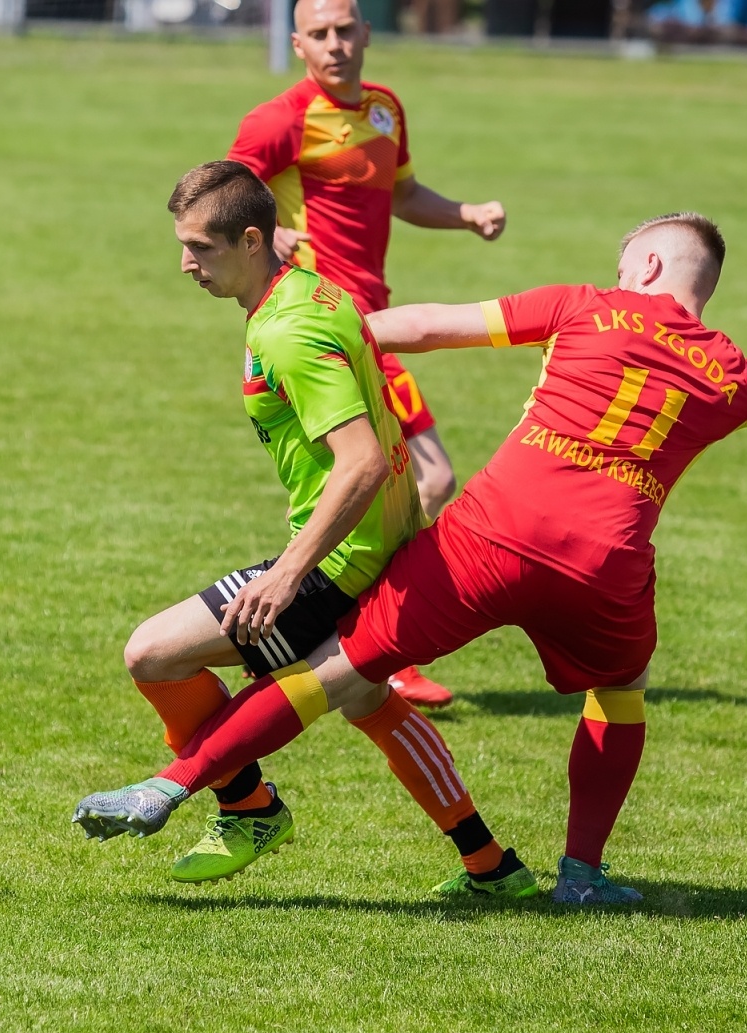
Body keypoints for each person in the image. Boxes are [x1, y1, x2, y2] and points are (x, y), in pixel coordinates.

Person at [72, 213, 747, 902]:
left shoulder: (586, 304)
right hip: (606, 567)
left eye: (627, 258)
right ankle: (582, 874)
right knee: (619, 696)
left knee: (337, 671)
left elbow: (432, 328)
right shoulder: (736, 372)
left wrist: (320, 329)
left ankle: (173, 784)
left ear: (651, 269)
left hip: (487, 537)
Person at [72, 161, 538, 897]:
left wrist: (286, 573)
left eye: (201, 247)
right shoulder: (311, 289)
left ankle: (248, 807)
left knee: (153, 653)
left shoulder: (288, 331)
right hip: (386, 544)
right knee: (367, 699)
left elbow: (356, 465)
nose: (185, 264)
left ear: (252, 240)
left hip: (335, 563)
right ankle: (491, 865)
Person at [227, 0, 508, 707]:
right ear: (296, 44)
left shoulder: (384, 109)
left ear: (367, 34)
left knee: (387, 487)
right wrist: (271, 235)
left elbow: (404, 193)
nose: (335, 45)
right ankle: (379, 645)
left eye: (346, 30)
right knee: (429, 477)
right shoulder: (281, 118)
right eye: (319, 35)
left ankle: (348, 639)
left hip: (372, 320)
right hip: (333, 327)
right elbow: (225, 197)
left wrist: (465, 214)